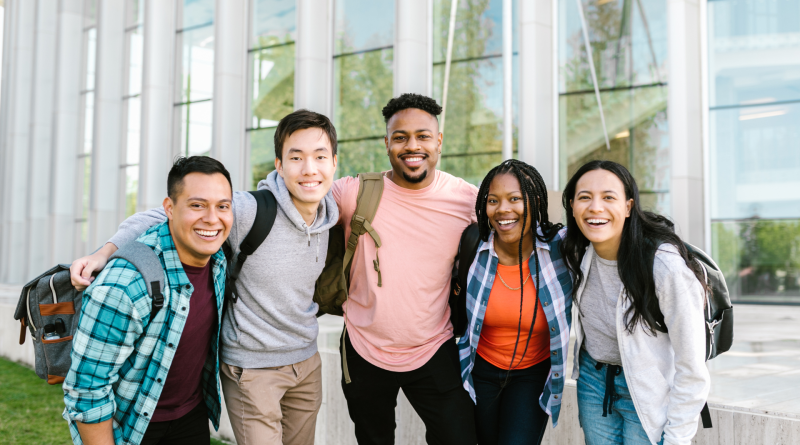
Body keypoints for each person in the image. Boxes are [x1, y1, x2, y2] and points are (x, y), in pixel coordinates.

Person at [69, 110, 340, 445]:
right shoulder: (248, 210)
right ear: (279, 165)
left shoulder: (331, 212)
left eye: (320, 157)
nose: (309, 168)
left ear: (334, 163)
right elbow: (165, 214)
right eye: (296, 157)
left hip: (305, 361)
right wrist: (104, 252)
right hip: (253, 368)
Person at [332, 93, 479, 444]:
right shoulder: (354, 193)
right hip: (363, 347)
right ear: (387, 144)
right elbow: (295, 200)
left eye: (423, 136)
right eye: (400, 137)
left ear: (439, 141)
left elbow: (519, 229)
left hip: (434, 346)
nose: (412, 146)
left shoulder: (468, 200)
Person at [63, 156, 234, 445]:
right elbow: (86, 391)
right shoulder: (126, 283)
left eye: (222, 206)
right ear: (168, 208)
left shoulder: (217, 259)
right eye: (197, 205)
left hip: (191, 415)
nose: (212, 218)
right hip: (133, 426)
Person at [560, 160, 710, 445]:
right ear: (572, 205)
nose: (595, 208)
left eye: (608, 197)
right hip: (593, 383)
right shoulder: (575, 250)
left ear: (628, 207)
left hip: (647, 387)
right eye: (584, 197)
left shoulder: (663, 266)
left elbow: (692, 366)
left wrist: (677, 438)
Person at [456, 160, 573, 445]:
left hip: (531, 375)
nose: (503, 209)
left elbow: (610, 236)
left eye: (515, 199)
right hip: (479, 369)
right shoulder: (474, 246)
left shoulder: (561, 248)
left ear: (534, 202)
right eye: (493, 200)